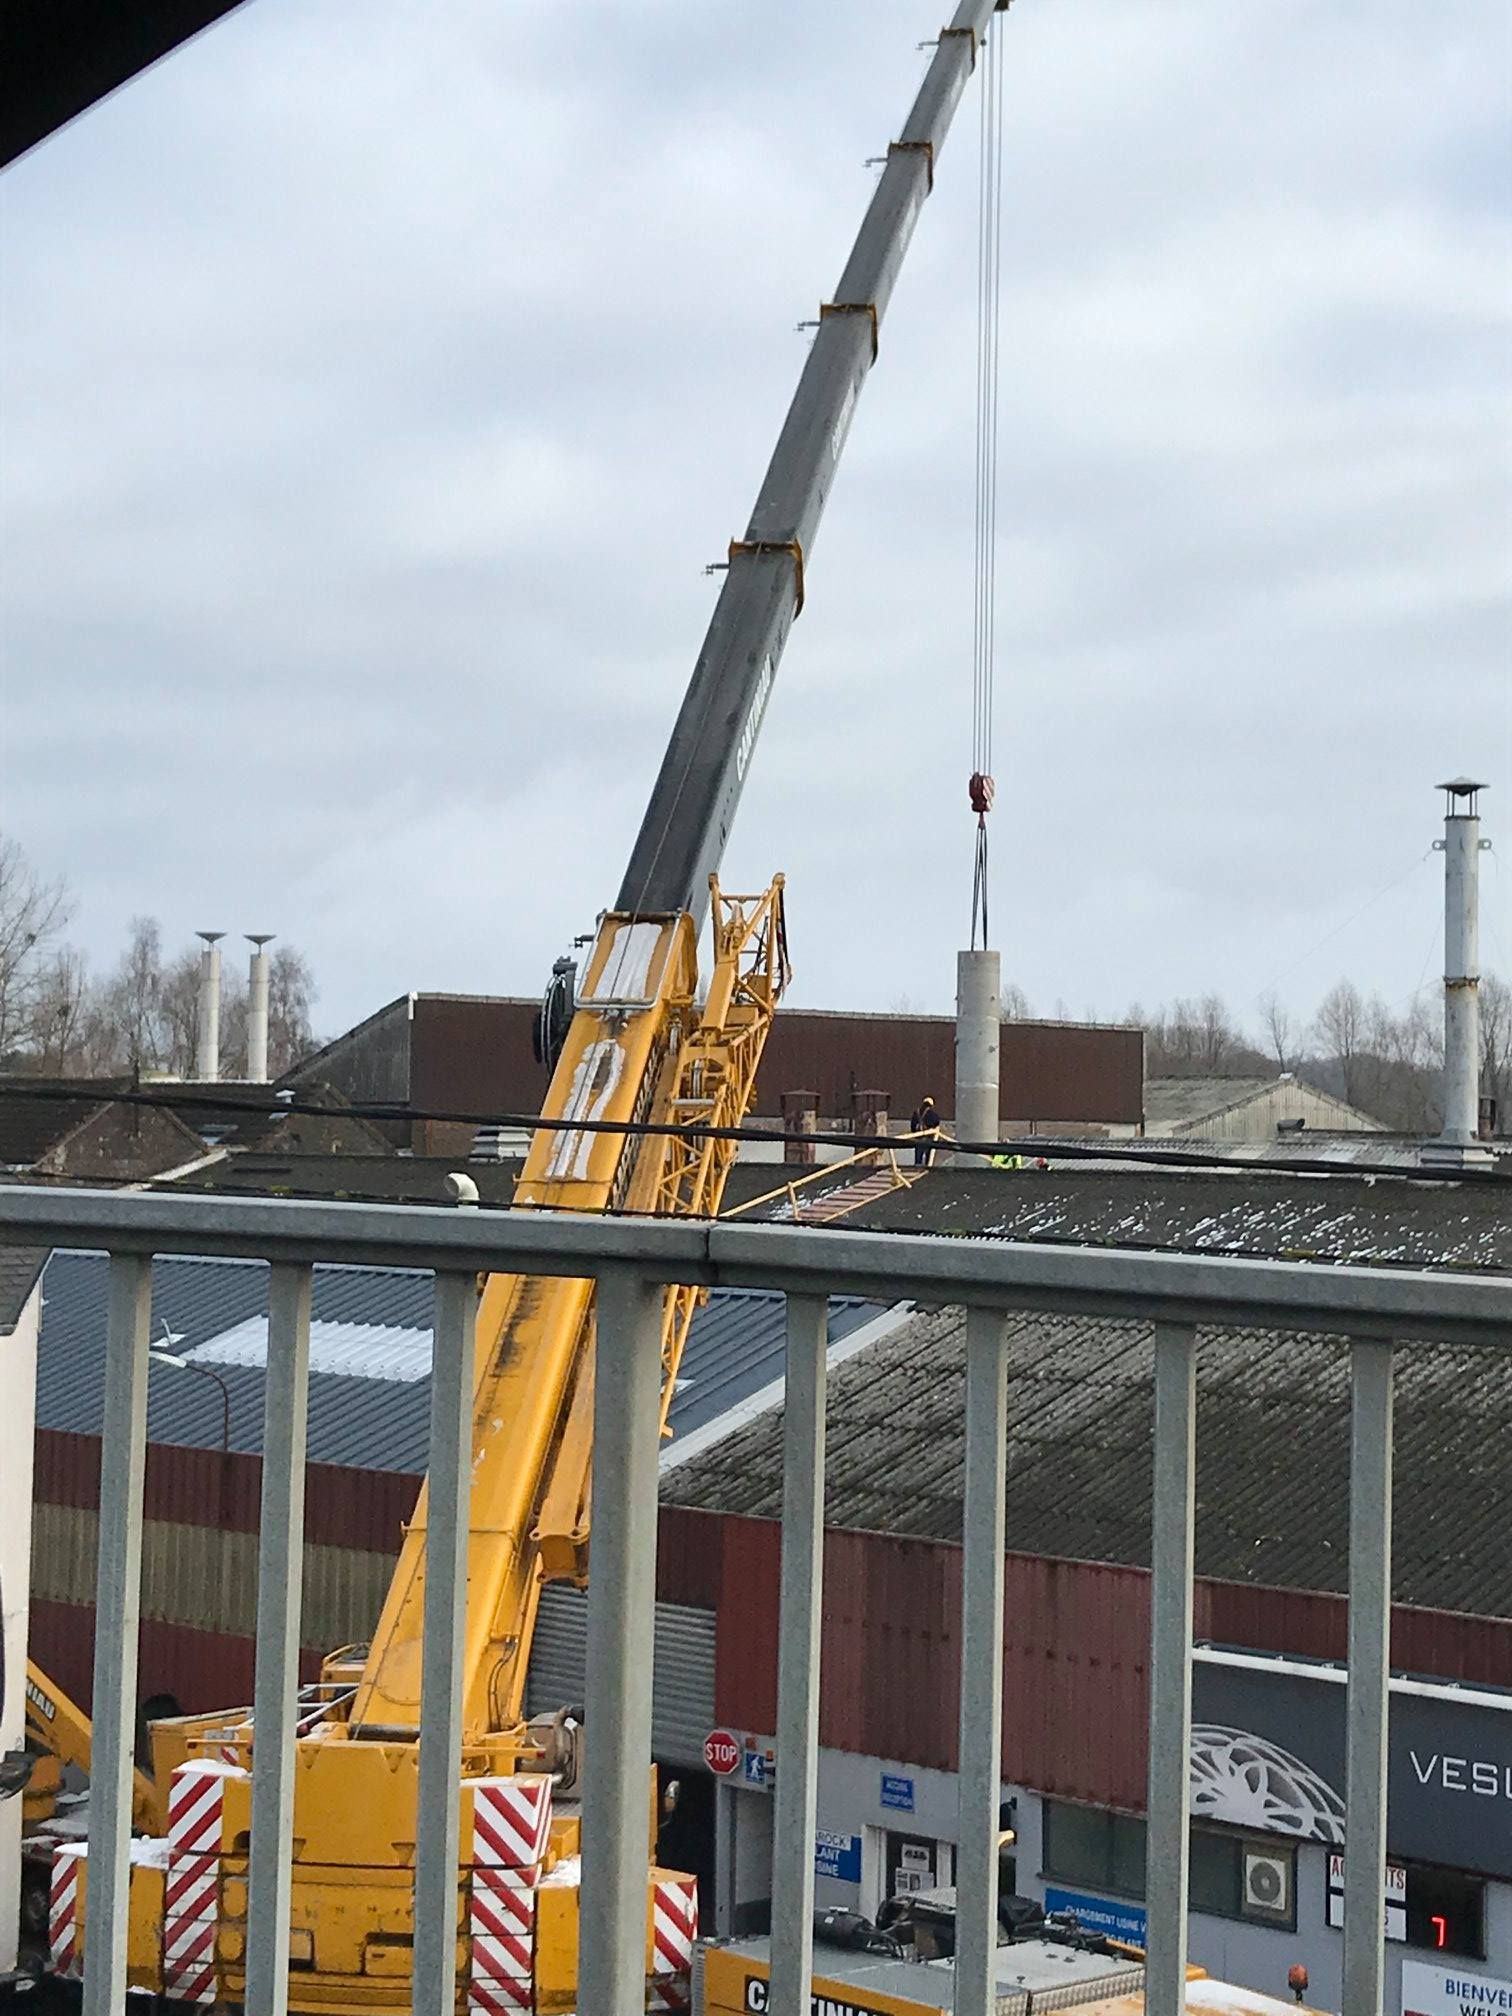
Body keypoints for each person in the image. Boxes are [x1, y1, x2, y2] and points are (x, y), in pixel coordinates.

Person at [913, 1094, 940, 1167]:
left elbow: (913, 1125)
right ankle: (927, 1168)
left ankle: (917, 1167)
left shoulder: (916, 1113)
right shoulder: (932, 1114)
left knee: (918, 1156)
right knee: (928, 1156)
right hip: (928, 1138)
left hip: (918, 1138)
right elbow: (936, 1122)